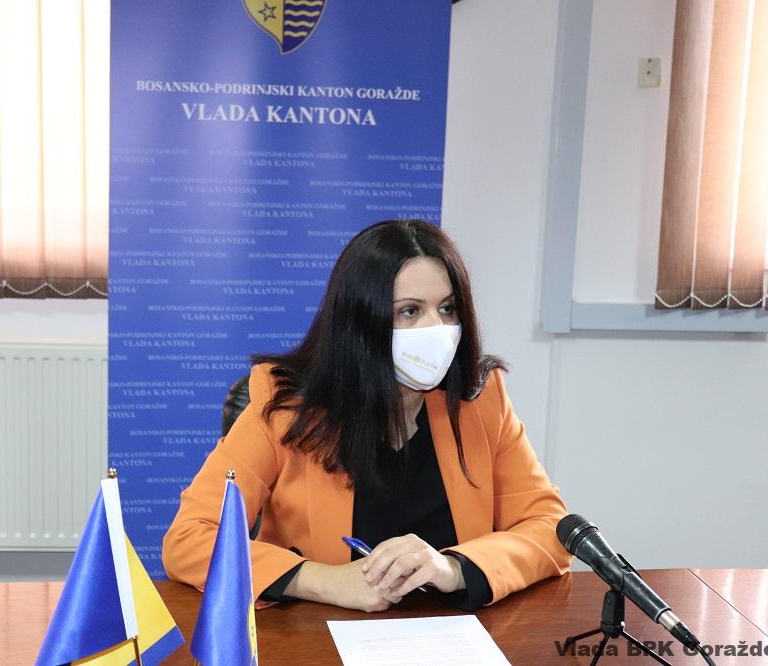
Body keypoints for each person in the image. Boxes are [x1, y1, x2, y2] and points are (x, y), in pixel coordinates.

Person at [162, 220, 571, 612]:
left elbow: (550, 527)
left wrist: (455, 568)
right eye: (410, 311)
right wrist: (324, 580)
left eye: (447, 308)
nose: (437, 328)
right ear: (359, 322)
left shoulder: (478, 399)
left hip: (455, 636)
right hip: (315, 636)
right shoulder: (286, 408)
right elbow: (189, 539)